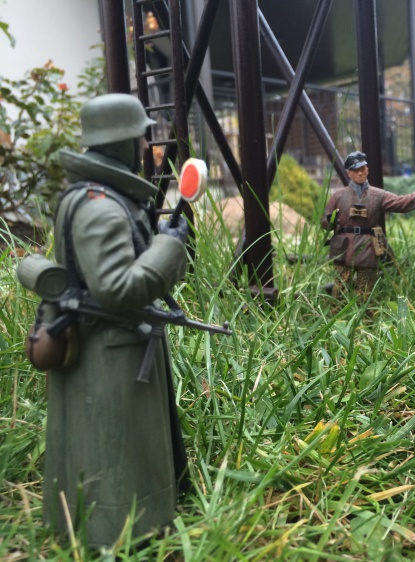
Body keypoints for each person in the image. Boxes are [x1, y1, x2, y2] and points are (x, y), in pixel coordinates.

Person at [43, 94, 189, 548]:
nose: (144, 146)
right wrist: (168, 248)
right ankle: (124, 529)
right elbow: (117, 289)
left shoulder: (88, 197)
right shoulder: (101, 207)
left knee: (97, 441)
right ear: (122, 141)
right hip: (111, 351)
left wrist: (155, 240)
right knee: (115, 446)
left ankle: (92, 517)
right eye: (139, 137)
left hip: (103, 343)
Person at [322, 151, 415, 294]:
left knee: (365, 290)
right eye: (355, 170)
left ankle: (364, 308)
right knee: (340, 288)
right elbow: (324, 221)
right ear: (349, 173)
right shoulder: (338, 196)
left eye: (362, 169)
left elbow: (401, 202)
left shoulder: (378, 195)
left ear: (367, 170)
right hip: (343, 248)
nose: (360, 173)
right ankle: (337, 306)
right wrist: (331, 221)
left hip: (367, 248)